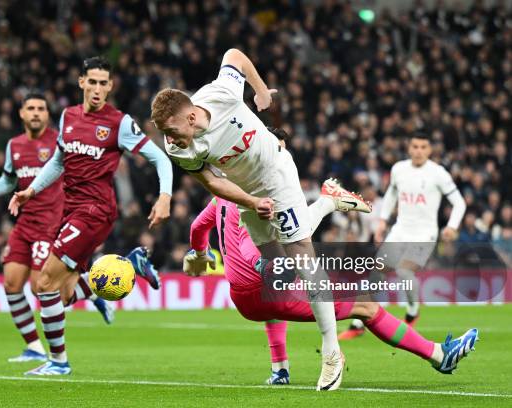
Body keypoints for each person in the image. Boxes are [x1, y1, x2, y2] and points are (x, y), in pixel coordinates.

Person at [151, 48, 371, 390]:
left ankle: (331, 351)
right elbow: (212, 182)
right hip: (248, 194)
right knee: (278, 268)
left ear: (191, 117)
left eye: (172, 130)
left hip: (277, 176)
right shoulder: (180, 148)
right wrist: (253, 202)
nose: (170, 139)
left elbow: (234, 55)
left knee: (303, 260)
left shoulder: (220, 93)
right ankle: (327, 203)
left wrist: (262, 90)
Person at [186, 197, 478, 384]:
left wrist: (201, 254)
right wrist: (263, 265)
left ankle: (280, 371)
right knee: (365, 306)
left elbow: (198, 228)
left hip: (243, 298)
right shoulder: (254, 194)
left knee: (279, 296)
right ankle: (439, 355)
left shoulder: (219, 198)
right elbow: (249, 241)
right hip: (266, 287)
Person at [8, 57, 173, 375]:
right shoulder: (68, 116)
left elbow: (160, 159)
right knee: (63, 295)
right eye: (92, 82)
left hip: (95, 212)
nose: (97, 89)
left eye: (103, 83)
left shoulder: (119, 122)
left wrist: (164, 196)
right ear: (81, 82)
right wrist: (32, 190)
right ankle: (130, 264)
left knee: (43, 283)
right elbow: (57, 161)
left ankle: (58, 363)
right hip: (70, 211)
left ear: (110, 87)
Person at [0, 93, 119, 363]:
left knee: (41, 289)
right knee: (10, 283)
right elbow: (8, 182)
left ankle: (94, 290)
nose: (36, 113)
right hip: (25, 224)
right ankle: (34, 347)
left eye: (41, 108)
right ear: (21, 113)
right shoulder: (14, 145)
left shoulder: (61, 140)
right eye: (30, 108)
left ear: (47, 113)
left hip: (52, 225)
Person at [339, 133, 467, 339]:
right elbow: (391, 194)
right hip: (400, 230)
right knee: (376, 272)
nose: (418, 151)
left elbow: (460, 203)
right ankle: (357, 323)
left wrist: (452, 226)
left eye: (423, 147)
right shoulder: (399, 169)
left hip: (425, 233)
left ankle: (413, 310)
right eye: (415, 146)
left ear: (429, 150)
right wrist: (382, 221)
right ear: (409, 148)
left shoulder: (438, 173)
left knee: (404, 272)